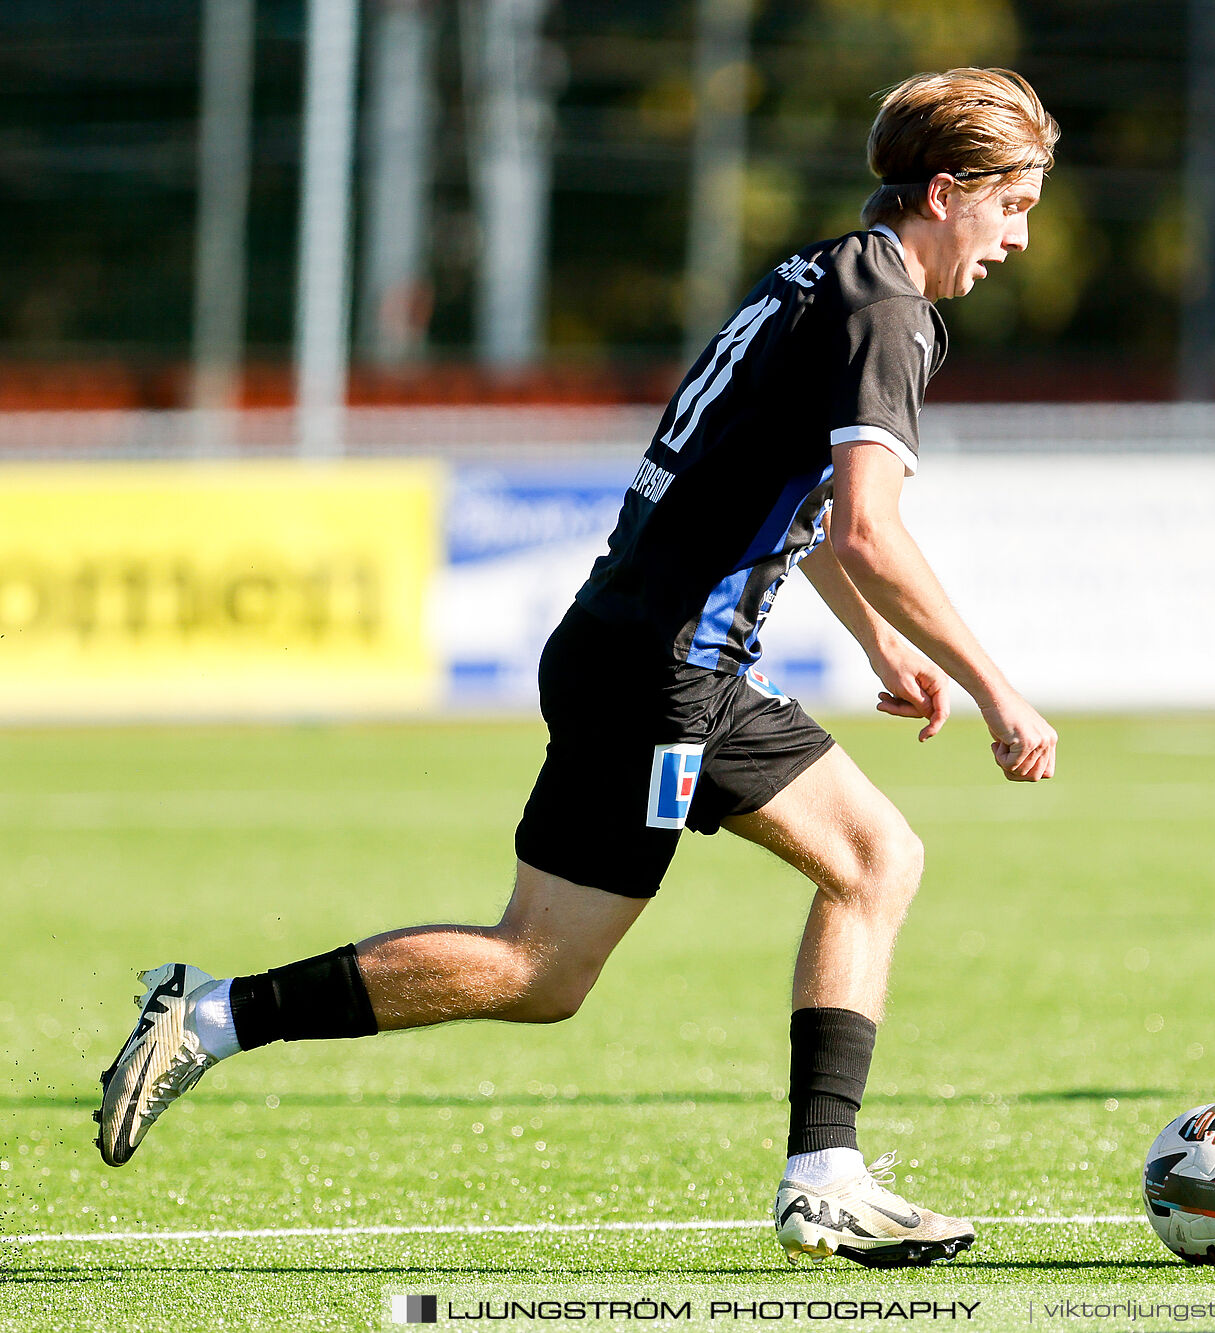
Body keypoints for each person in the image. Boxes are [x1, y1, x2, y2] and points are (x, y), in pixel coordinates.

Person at [95, 67, 1061, 1271]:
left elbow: (773, 494)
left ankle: (210, 1012)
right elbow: (869, 523)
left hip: (619, 647)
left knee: (540, 968)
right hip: (670, 673)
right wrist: (996, 687)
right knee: (875, 860)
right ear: (943, 190)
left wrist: (876, 642)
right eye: (1013, 203)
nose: (1021, 236)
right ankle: (824, 1175)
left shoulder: (817, 276)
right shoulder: (892, 311)